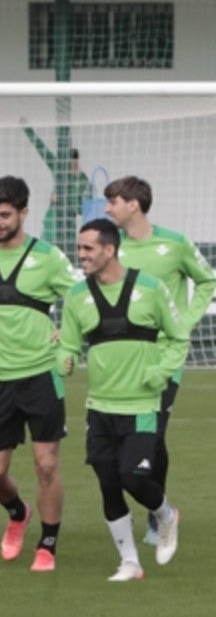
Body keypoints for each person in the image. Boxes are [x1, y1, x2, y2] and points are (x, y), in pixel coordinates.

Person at [57, 218, 186, 581]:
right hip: (99, 407)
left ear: (110, 250)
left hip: (142, 405)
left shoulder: (151, 288)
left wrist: (162, 372)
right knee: (108, 483)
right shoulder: (77, 296)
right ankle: (129, 562)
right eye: (79, 247)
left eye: (87, 248)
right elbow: (68, 342)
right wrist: (63, 358)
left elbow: (178, 339)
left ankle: (165, 514)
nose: (80, 254)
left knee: (132, 477)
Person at [0, 176, 75, 572]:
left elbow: (80, 296)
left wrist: (70, 334)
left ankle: (47, 545)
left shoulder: (49, 257)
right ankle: (18, 512)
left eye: (5, 214)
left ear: (25, 212)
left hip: (42, 373)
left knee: (46, 464)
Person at [103, 176, 215, 544]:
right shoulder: (112, 248)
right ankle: (145, 508)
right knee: (121, 441)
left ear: (133, 204)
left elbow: (207, 281)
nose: (108, 209)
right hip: (124, 358)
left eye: (113, 201)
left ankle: (157, 513)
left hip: (166, 355)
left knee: (153, 434)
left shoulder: (175, 243)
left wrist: (186, 319)